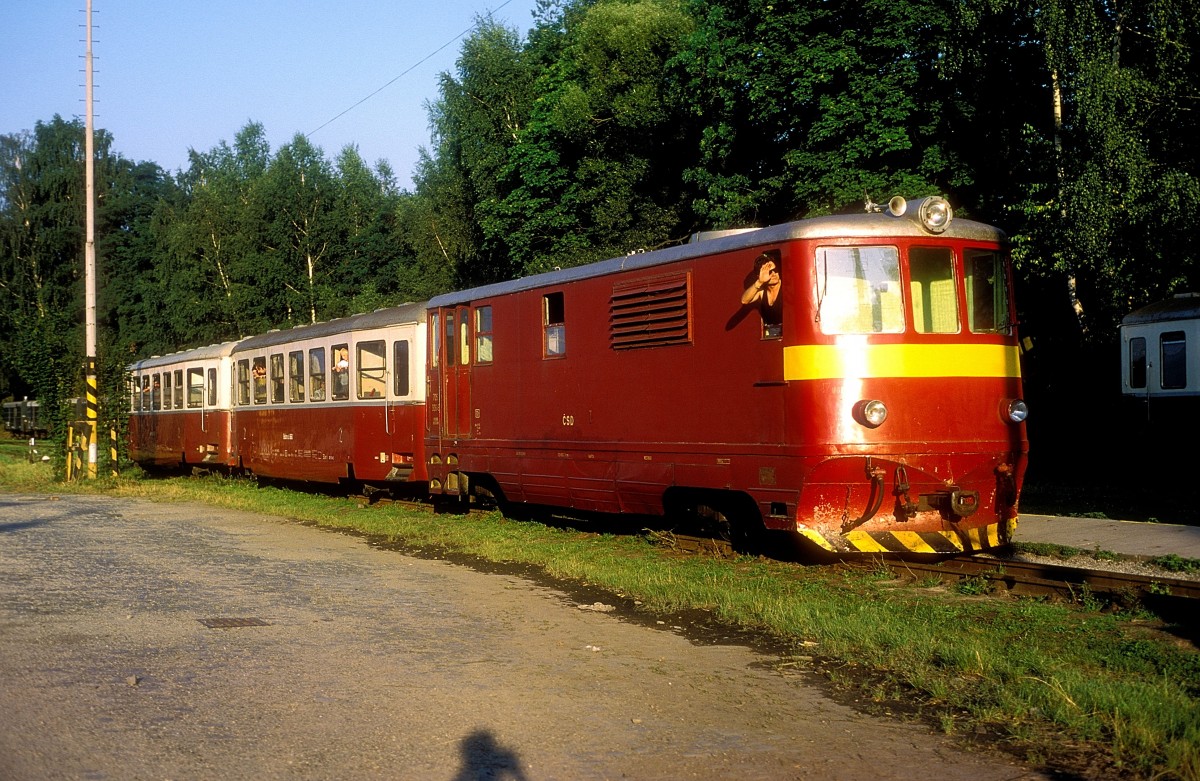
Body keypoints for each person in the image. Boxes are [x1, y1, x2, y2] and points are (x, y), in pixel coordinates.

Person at [741, 253, 782, 337]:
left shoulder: (787, 287)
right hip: (771, 336)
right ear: (759, 275)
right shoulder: (762, 291)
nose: (774, 274)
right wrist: (759, 282)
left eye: (776, 270)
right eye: (769, 272)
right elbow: (744, 300)